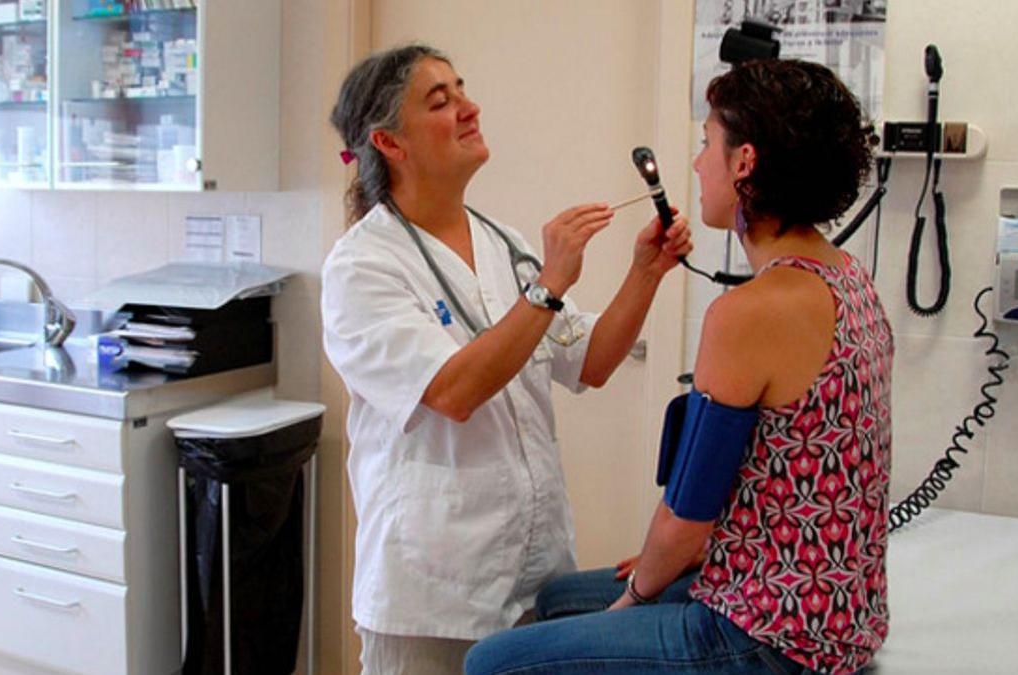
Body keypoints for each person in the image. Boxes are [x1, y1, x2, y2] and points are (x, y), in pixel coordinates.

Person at [466, 58, 892, 675]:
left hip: (774, 636)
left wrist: (633, 601)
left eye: (705, 144)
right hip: (837, 611)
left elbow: (689, 514)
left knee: (490, 664)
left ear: (743, 162)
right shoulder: (848, 278)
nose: (696, 165)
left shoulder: (749, 311)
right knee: (560, 600)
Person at [321, 44, 693, 673]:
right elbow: (452, 393)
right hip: (432, 595)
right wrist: (547, 287)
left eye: (462, 89)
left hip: (535, 581)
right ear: (389, 143)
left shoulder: (502, 242)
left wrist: (645, 273)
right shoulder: (363, 267)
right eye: (441, 101)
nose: (470, 109)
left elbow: (590, 363)